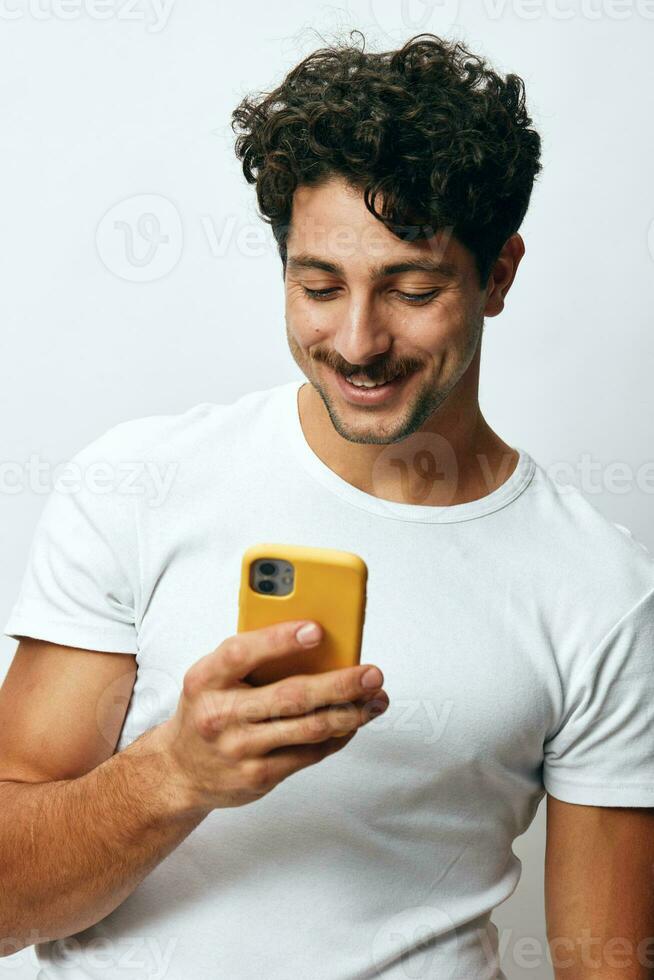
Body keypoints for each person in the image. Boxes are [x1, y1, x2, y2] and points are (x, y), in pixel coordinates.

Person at [1, 30, 653, 980]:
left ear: (499, 275)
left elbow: (608, 965)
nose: (356, 340)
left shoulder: (601, 587)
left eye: (413, 288)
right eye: (318, 285)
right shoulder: (139, 485)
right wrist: (176, 772)